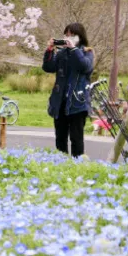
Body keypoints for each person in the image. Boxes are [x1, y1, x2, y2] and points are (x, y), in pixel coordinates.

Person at [42, 23, 95, 158]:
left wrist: (73, 49)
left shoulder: (87, 52)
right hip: (60, 102)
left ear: (80, 37)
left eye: (72, 35)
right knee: (60, 139)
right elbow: (48, 67)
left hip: (77, 102)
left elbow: (84, 67)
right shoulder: (61, 53)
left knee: (76, 139)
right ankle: (61, 165)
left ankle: (77, 167)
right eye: (66, 35)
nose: (68, 38)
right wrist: (49, 50)